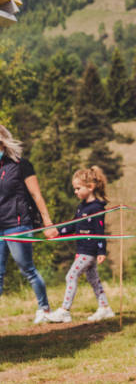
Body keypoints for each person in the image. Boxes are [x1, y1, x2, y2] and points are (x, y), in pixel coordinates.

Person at [0, 124, 58, 322]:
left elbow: (36, 194)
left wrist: (47, 222)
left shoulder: (19, 164)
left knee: (27, 269)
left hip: (18, 224)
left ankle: (44, 309)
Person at [46, 166, 115, 323]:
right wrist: (57, 231)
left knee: (71, 275)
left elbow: (99, 231)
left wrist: (101, 251)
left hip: (89, 251)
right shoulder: (82, 206)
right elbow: (73, 226)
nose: (75, 192)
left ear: (90, 187)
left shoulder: (97, 208)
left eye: (78, 188)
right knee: (93, 279)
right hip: (82, 249)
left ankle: (64, 310)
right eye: (74, 189)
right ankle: (105, 308)